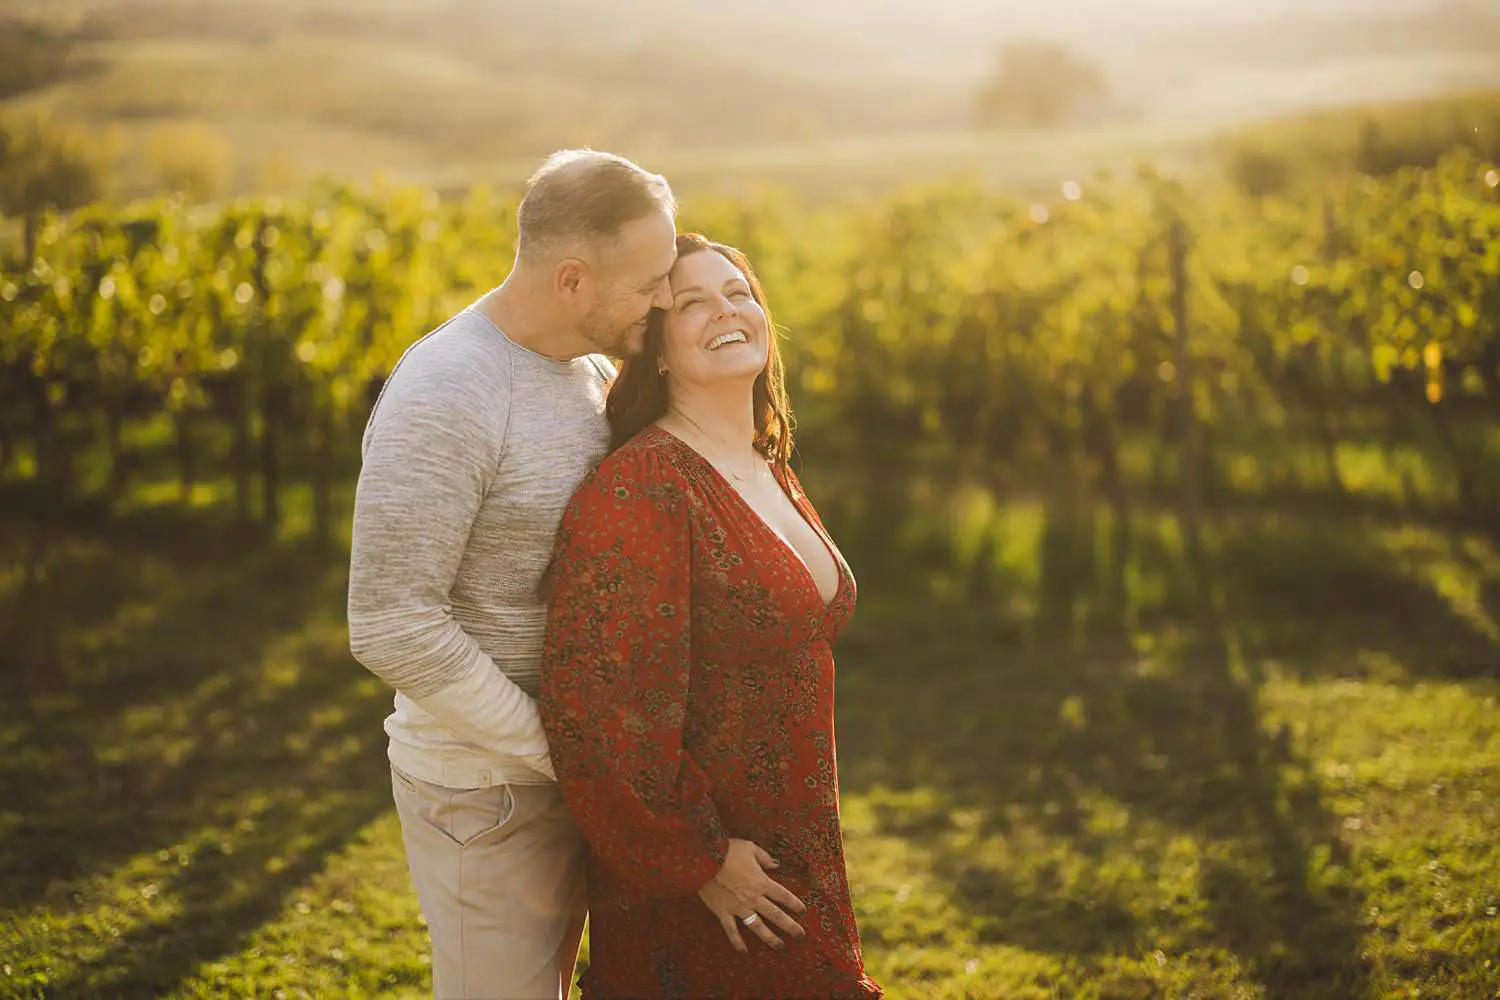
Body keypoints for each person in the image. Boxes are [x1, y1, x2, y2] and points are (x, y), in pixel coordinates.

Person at [346, 148, 679, 1000]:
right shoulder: (449, 391)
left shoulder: (590, 369)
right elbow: (391, 623)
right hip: (487, 789)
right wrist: (558, 750)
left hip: (571, 772)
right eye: (650, 283)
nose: (666, 299)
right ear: (572, 279)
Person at [540, 233, 883, 999]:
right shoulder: (642, 488)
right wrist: (701, 860)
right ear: (657, 351)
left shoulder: (766, 462)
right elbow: (595, 708)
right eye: (693, 302)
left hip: (796, 847)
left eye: (738, 292)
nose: (727, 311)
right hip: (709, 880)